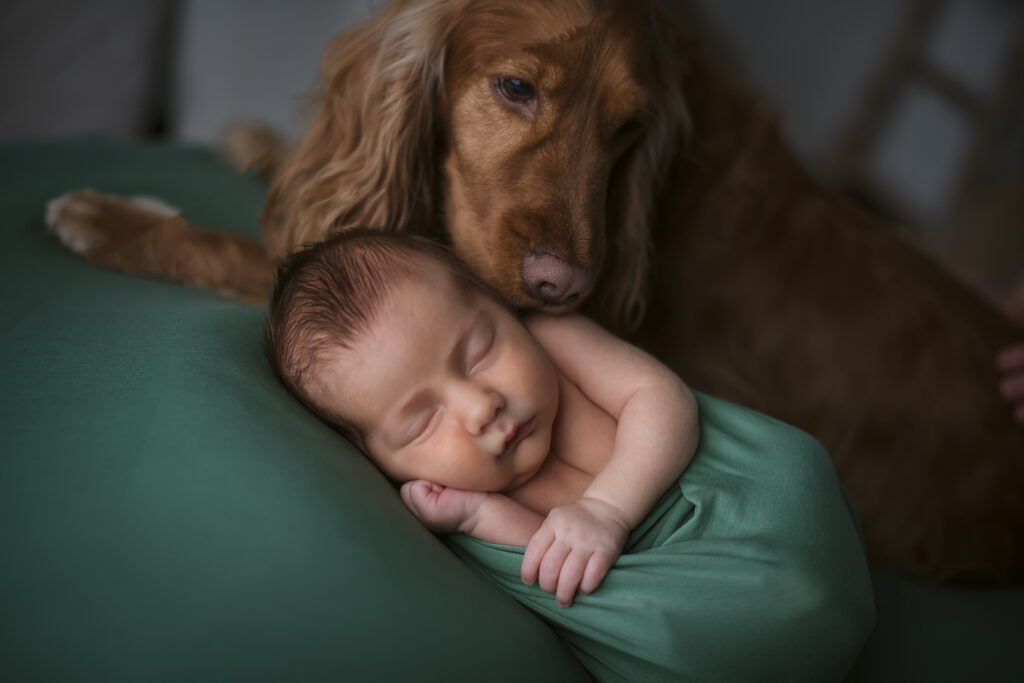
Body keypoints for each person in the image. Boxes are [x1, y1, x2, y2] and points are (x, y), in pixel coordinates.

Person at [265, 229, 875, 682]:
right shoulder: (458, 498)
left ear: (500, 306)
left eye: (478, 352)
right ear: (379, 460)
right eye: (424, 421)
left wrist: (607, 510)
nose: (481, 406)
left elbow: (661, 398)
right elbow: (554, 574)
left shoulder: (553, 340)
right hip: (680, 596)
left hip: (736, 503)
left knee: (795, 469)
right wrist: (479, 518)